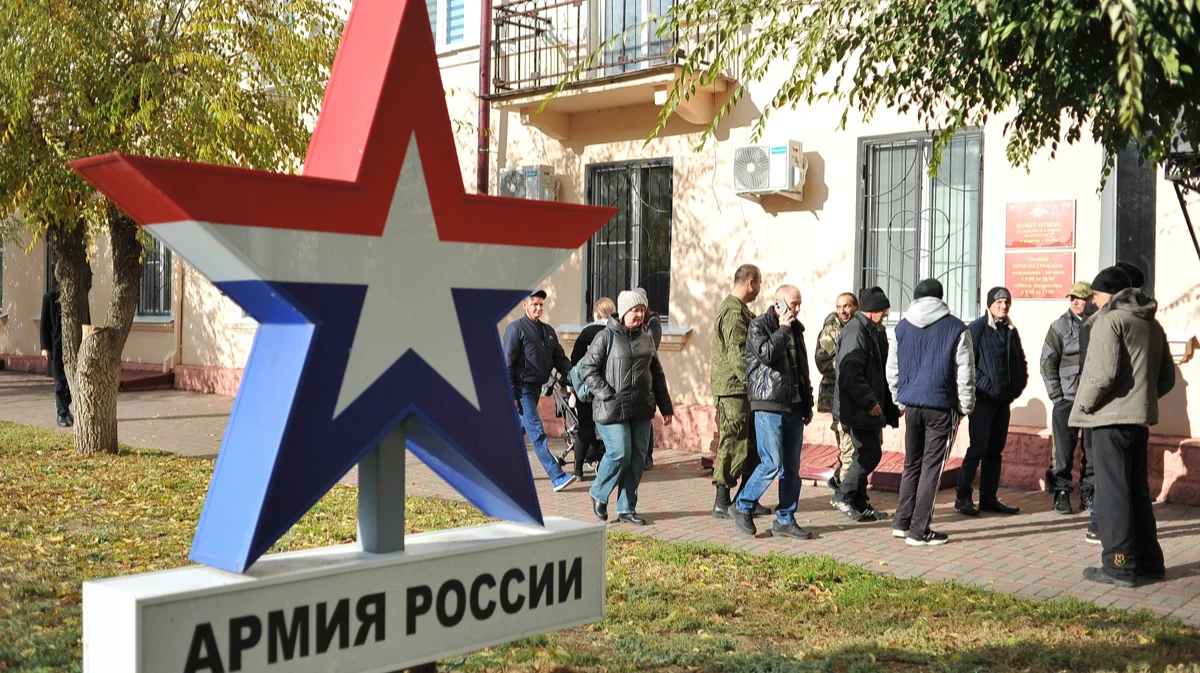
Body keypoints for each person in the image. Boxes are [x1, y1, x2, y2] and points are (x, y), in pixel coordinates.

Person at [1071, 266, 1175, 587]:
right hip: (1137, 422)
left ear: (1111, 293)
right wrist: (1138, 399)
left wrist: (1082, 406)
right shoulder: (1151, 322)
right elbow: (1166, 379)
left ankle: (1118, 565)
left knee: (1112, 493)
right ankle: (1149, 563)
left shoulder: (1109, 320)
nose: (1093, 301)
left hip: (1108, 420)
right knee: (1137, 491)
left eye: (1096, 295)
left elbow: (1101, 375)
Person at [886, 279, 975, 546]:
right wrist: (965, 406)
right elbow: (965, 372)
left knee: (912, 463)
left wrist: (899, 400)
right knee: (932, 468)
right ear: (940, 297)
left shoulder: (901, 327)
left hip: (912, 405)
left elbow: (893, 369)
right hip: (941, 405)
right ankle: (919, 531)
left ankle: (902, 523)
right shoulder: (956, 328)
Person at [581, 290, 674, 525]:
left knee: (637, 458)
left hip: (641, 408)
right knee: (620, 452)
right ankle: (598, 492)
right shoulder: (606, 337)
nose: (639, 314)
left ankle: (626, 508)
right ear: (623, 313)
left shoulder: (647, 339)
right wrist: (606, 393)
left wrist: (666, 407)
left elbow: (657, 375)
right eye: (635, 310)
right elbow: (588, 369)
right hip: (611, 408)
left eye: (642, 310)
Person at [732, 285, 814, 538]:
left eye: (799, 304)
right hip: (769, 404)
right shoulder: (759, 326)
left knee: (791, 469)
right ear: (778, 303)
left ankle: (785, 519)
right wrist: (783, 329)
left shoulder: (797, 330)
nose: (797, 309)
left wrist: (807, 403)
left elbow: (802, 370)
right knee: (771, 462)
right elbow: (767, 355)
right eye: (793, 304)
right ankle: (743, 505)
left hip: (794, 406)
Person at [957, 287, 1028, 516]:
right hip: (982, 401)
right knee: (977, 448)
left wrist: (1017, 385)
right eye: (999, 302)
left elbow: (1020, 360)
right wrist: (990, 387)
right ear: (989, 304)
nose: (1003, 306)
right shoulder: (976, 329)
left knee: (995, 451)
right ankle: (962, 497)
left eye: (1007, 302)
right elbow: (969, 365)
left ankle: (988, 498)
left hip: (1002, 402)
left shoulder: (1010, 329)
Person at [831, 286, 898, 521]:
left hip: (865, 406)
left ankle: (859, 503)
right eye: (884, 310)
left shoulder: (871, 330)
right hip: (856, 408)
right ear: (873, 310)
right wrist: (869, 402)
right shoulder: (855, 331)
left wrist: (889, 405)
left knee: (867, 452)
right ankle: (843, 495)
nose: (886, 314)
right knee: (868, 454)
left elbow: (879, 372)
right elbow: (851, 374)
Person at [503, 290, 578, 492]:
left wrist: (575, 378)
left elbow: (560, 360)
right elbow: (507, 363)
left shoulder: (548, 331)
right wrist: (511, 393)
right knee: (536, 432)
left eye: (541, 305)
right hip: (521, 390)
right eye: (534, 304)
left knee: (520, 430)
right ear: (525, 305)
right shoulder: (515, 329)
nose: (538, 308)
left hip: (537, 388)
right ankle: (557, 476)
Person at [708, 264, 763, 518]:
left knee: (751, 444)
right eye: (759, 284)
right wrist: (757, 385)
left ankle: (745, 498)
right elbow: (738, 356)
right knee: (733, 443)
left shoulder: (741, 310)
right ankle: (722, 501)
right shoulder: (732, 312)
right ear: (751, 282)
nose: (759, 290)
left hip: (742, 390)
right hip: (734, 390)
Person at [1041, 281, 1096, 514]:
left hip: (1093, 401)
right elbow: (1047, 362)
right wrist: (1056, 395)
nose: (1074, 301)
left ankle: (1088, 492)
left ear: (1090, 300)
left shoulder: (1099, 324)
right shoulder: (1059, 327)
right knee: (1063, 452)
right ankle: (1061, 493)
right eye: (1072, 297)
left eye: (1079, 297)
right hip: (1067, 399)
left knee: (1092, 451)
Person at [570, 297, 617, 479]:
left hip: (587, 388)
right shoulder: (616, 332)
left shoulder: (586, 332)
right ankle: (607, 467)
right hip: (609, 388)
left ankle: (578, 470)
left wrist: (573, 388)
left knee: (585, 427)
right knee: (609, 428)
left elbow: (575, 361)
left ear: (596, 313)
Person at [816, 292, 858, 489]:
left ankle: (841, 480)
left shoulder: (860, 327)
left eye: (847, 306)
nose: (843, 311)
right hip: (837, 394)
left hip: (858, 394)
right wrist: (849, 368)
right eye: (839, 307)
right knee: (846, 442)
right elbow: (822, 362)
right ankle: (844, 488)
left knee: (857, 446)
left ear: (856, 307)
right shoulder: (831, 330)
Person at [633, 287, 663, 470]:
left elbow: (651, 348)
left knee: (645, 416)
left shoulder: (653, 323)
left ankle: (647, 456)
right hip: (634, 375)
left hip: (647, 374)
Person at [40, 288, 73, 427]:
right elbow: (44, 324)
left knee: (72, 384)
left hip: (73, 345)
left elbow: (86, 319)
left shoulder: (78, 295)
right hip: (56, 347)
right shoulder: (49, 297)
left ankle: (66, 408)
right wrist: (45, 347)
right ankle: (62, 414)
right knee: (60, 382)